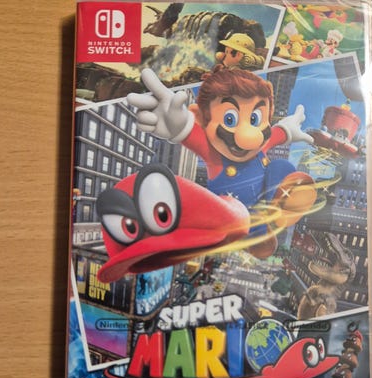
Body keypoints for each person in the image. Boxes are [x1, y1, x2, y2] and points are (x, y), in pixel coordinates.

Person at [128, 67, 316, 257]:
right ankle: (258, 235)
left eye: (254, 119)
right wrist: (178, 125)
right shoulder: (215, 156)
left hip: (265, 203)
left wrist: (288, 127)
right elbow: (191, 134)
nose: (248, 136)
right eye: (230, 119)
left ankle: (284, 203)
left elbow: (277, 134)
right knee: (252, 230)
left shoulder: (260, 146)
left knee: (281, 167)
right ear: (200, 118)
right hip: (236, 213)